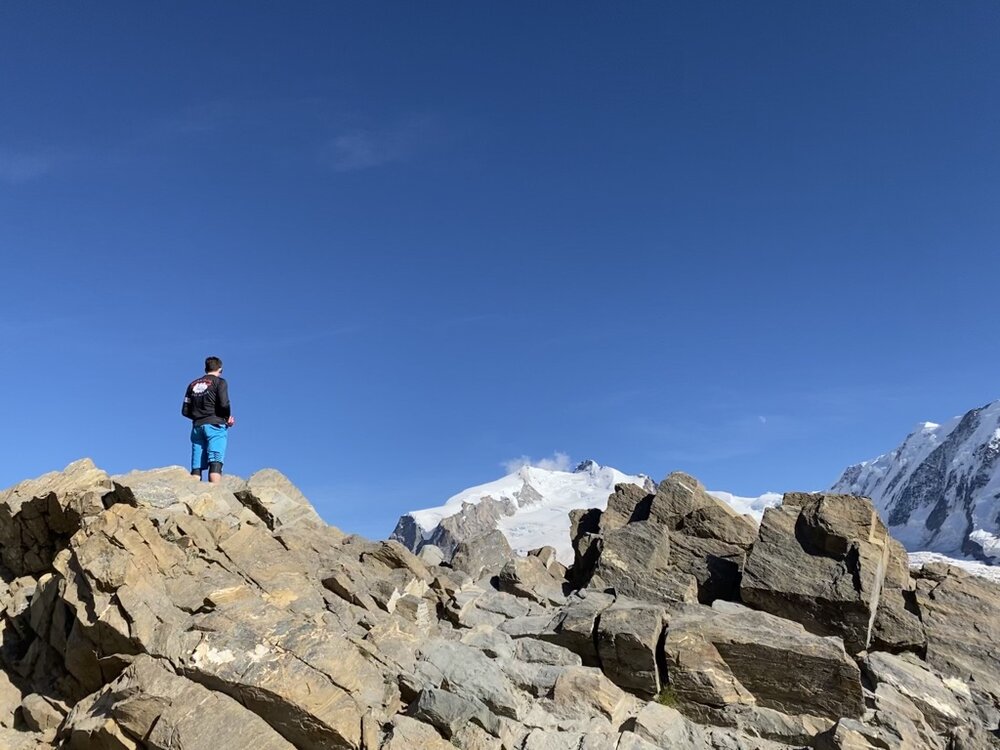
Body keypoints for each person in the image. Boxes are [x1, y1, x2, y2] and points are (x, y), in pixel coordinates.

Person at [181, 356, 235, 483]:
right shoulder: (220, 382)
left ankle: (193, 495)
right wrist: (226, 418)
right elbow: (224, 404)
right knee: (215, 461)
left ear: (205, 368)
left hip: (197, 427)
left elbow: (184, 411)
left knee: (196, 465)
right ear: (220, 368)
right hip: (215, 425)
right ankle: (215, 496)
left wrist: (197, 416)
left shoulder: (192, 385)